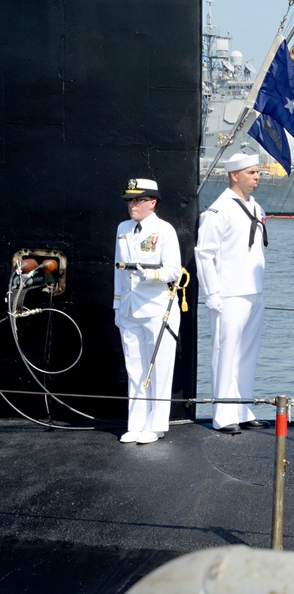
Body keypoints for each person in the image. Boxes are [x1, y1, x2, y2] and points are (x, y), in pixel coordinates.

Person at [195, 153, 269, 434]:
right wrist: (212, 293)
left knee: (247, 353)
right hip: (229, 293)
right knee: (225, 353)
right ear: (234, 175)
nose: (257, 177)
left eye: (257, 172)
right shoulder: (220, 209)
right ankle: (224, 414)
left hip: (254, 291)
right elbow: (204, 255)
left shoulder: (255, 205)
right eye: (251, 172)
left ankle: (242, 407)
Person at [114, 178, 181, 445]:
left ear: (152, 203)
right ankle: (137, 423)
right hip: (130, 308)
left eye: (138, 200)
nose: (132, 205)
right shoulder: (123, 229)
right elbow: (118, 272)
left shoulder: (164, 230)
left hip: (157, 308)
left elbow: (173, 270)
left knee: (159, 369)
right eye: (130, 200)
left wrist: (149, 275)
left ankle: (156, 424)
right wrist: (118, 306)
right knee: (135, 368)